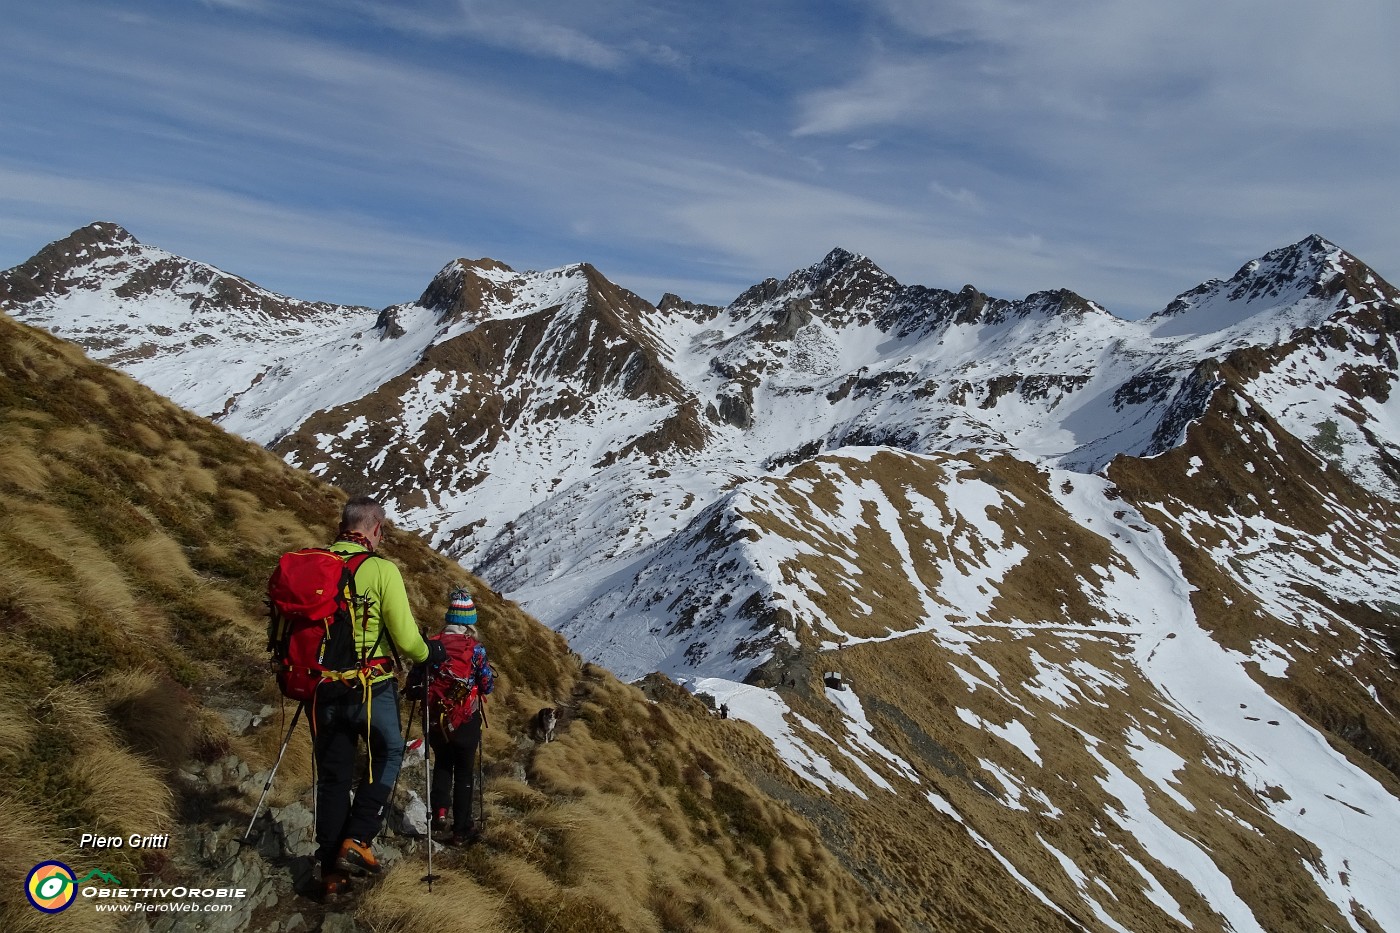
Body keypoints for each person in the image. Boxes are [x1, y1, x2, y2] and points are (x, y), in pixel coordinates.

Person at [312, 496, 443, 897]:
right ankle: (360, 839)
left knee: (333, 776)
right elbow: (406, 639)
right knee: (387, 753)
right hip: (371, 685)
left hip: (320, 687)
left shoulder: (314, 564)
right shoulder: (381, 570)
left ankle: (331, 869)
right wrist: (429, 653)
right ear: (375, 530)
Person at [421, 588, 494, 845]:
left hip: (434, 717)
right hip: (465, 718)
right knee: (464, 772)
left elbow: (417, 681)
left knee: (442, 762)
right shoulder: (475, 649)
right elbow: (486, 684)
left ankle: (440, 811)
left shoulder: (430, 643)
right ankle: (461, 830)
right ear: (469, 623)